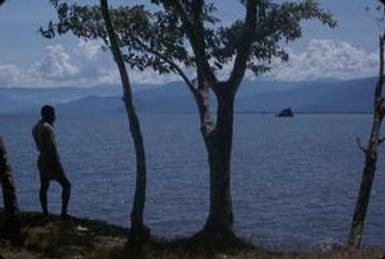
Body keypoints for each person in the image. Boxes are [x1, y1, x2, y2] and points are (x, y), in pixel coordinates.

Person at [32, 105, 71, 217]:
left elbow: (38, 146)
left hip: (41, 160)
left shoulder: (36, 127)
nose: (55, 116)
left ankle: (45, 213)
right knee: (67, 185)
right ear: (49, 115)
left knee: (44, 187)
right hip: (51, 161)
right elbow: (52, 147)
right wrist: (57, 162)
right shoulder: (48, 128)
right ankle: (63, 213)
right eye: (53, 114)